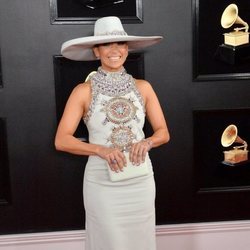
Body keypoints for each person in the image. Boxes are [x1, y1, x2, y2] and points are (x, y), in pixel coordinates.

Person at [55, 16, 170, 250]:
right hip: (102, 182)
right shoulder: (82, 91)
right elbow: (62, 140)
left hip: (141, 180)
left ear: (127, 49)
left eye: (120, 44)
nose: (115, 50)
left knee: (142, 241)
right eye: (107, 44)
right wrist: (100, 149)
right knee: (108, 242)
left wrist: (147, 142)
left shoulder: (143, 87)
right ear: (96, 51)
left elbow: (163, 133)